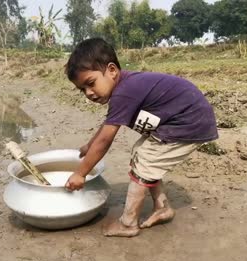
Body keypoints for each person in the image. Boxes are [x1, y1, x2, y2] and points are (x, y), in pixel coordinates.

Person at [63, 38, 218, 237]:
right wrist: (89, 144)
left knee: (146, 159)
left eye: (91, 83)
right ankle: (162, 207)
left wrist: (80, 174)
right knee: (142, 155)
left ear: (112, 70)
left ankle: (128, 223)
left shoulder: (124, 92)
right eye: (82, 89)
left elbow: (105, 140)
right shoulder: (123, 88)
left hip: (189, 123)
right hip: (180, 121)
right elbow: (107, 126)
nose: (89, 93)